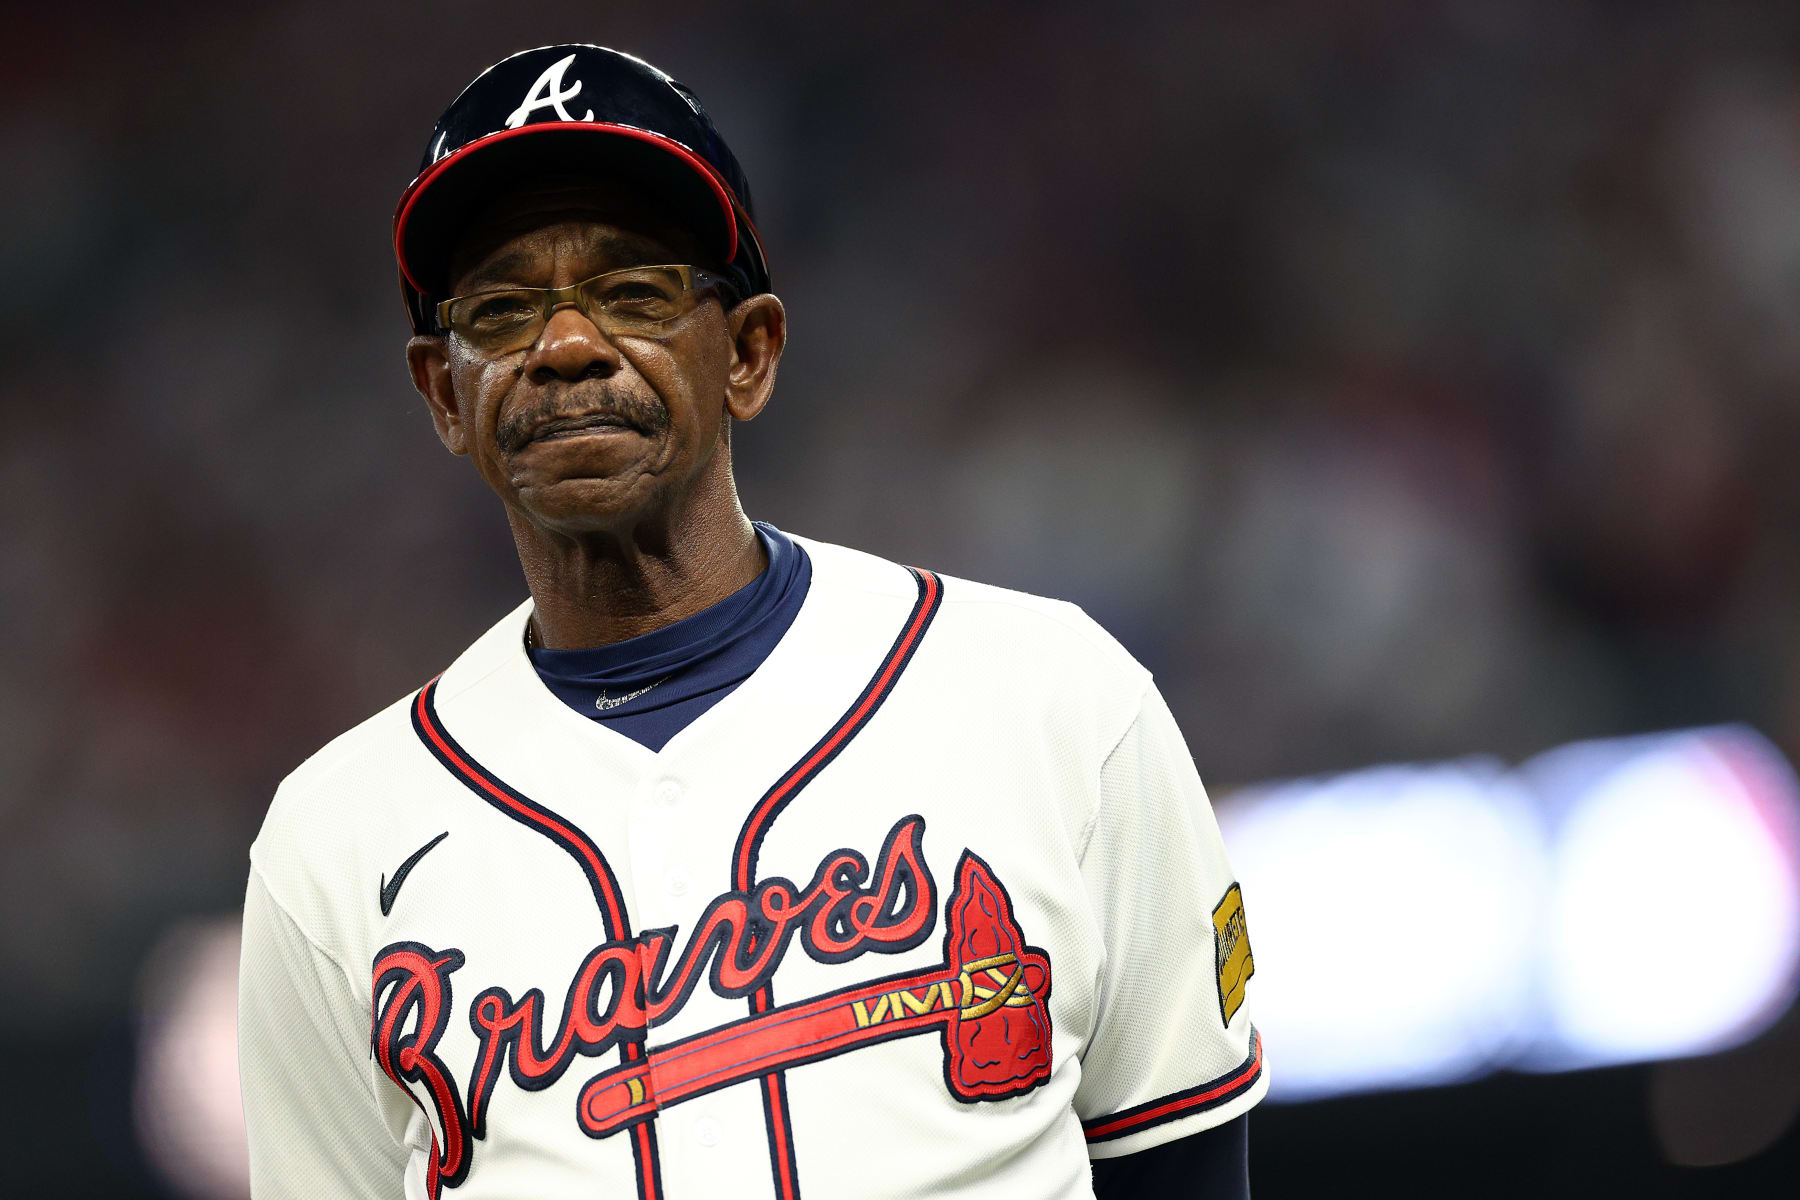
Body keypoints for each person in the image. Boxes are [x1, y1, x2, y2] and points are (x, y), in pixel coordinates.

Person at [237, 43, 1265, 1200]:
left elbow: (1181, 1168)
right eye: (503, 309)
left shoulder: (1056, 701)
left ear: (750, 352)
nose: (567, 348)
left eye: (633, 292)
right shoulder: (331, 844)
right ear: (443, 392)